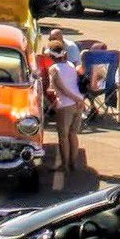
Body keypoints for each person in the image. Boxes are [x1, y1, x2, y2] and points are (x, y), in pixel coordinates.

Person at [46, 30, 86, 174]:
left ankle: (65, 165)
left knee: (63, 136)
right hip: (78, 104)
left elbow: (60, 89)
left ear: (51, 55)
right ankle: (73, 163)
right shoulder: (70, 64)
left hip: (66, 105)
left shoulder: (53, 69)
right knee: (73, 134)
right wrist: (79, 100)